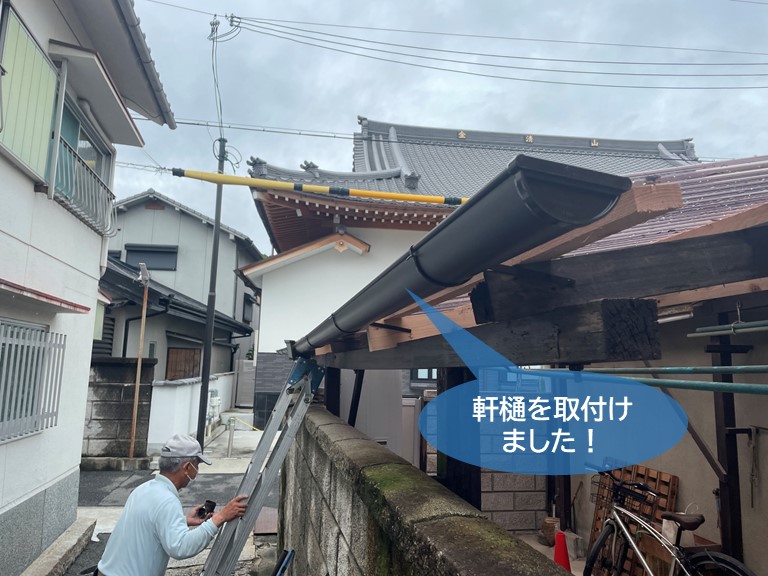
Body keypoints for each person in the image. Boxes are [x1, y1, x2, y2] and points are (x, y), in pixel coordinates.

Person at [95, 434, 248, 576]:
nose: (197, 471)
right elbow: (180, 547)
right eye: (197, 465)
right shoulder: (167, 500)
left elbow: (149, 522)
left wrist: (183, 520)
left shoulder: (143, 489)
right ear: (187, 467)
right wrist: (220, 517)